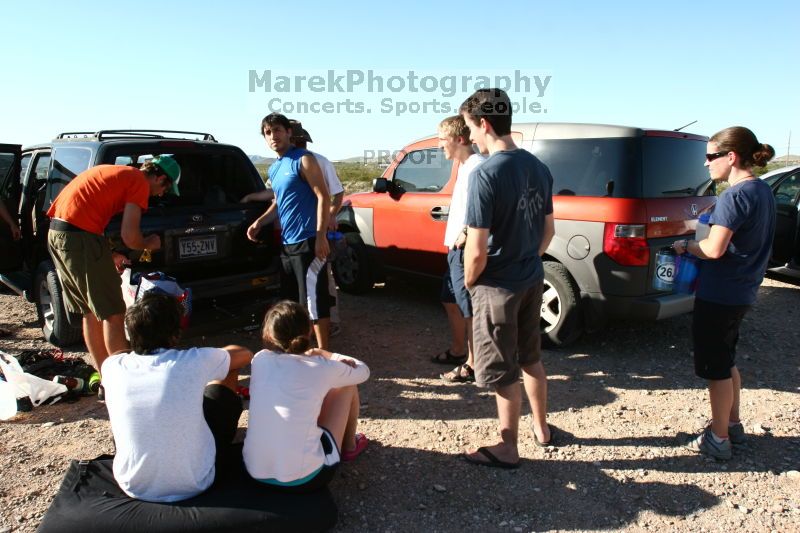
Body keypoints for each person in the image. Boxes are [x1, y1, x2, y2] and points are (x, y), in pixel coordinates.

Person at [460, 88, 556, 468]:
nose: (469, 137)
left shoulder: (485, 173)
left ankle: (507, 447)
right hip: (532, 276)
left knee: (503, 371)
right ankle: (543, 430)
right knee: (531, 357)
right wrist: (526, 257)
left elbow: (477, 247)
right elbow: (548, 231)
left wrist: (470, 281)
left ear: (484, 123)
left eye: (470, 128)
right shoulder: (538, 167)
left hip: (498, 284)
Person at [672, 126, 775, 460]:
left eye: (710, 157)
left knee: (715, 367)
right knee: (727, 359)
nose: (706, 164)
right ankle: (732, 424)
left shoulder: (734, 195)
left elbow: (714, 249)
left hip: (719, 294)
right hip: (743, 292)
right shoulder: (762, 190)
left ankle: (718, 439)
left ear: (730, 157)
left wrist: (686, 246)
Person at [102, 292, 253, 502]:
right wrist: (212, 357)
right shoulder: (193, 360)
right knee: (228, 370)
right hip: (197, 482)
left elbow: (118, 353)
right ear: (174, 334)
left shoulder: (111, 367)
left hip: (133, 484)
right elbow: (244, 354)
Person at [46, 157, 179, 373]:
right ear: (159, 177)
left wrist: (108, 253)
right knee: (113, 312)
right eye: (166, 188)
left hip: (59, 234)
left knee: (91, 312)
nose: (162, 194)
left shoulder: (119, 173)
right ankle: (125, 379)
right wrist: (149, 244)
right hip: (80, 237)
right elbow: (130, 237)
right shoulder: (138, 181)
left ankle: (107, 379)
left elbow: (86, 213)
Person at [243, 300, 369, 493]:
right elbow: (363, 371)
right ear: (309, 331)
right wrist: (325, 354)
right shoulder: (319, 366)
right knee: (346, 384)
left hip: (255, 471)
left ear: (269, 335)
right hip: (305, 477)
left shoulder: (260, 359)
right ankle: (349, 447)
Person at [246, 113, 334, 349]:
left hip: (308, 240)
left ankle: (324, 354)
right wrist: (260, 222)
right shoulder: (275, 168)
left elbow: (323, 196)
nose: (273, 136)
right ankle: (301, 349)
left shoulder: (303, 159)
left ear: (287, 132)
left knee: (314, 300)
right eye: (268, 132)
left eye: (277, 130)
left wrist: (320, 236)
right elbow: (279, 202)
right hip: (288, 243)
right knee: (294, 301)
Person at [431, 115, 485, 383]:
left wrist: (465, 233)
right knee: (450, 298)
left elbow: (484, 208)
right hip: (454, 247)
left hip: (464, 248)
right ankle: (459, 349)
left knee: (468, 307)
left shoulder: (477, 167)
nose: (440, 145)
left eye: (443, 139)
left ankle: (473, 364)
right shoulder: (463, 166)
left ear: (460, 139)